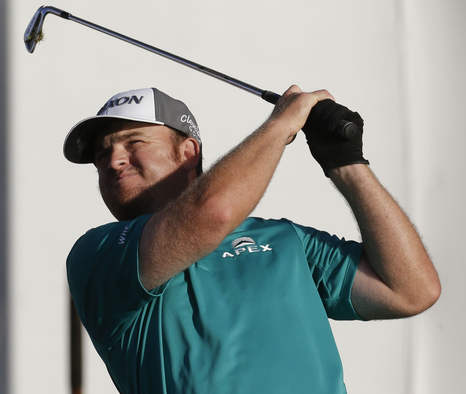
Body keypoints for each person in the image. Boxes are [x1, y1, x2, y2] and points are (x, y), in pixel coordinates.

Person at [64, 86, 441, 394]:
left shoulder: (283, 238)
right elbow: (212, 213)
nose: (113, 160)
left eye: (133, 142)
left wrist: (346, 163)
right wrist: (282, 125)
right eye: (102, 154)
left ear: (188, 151)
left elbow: (410, 290)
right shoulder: (96, 253)